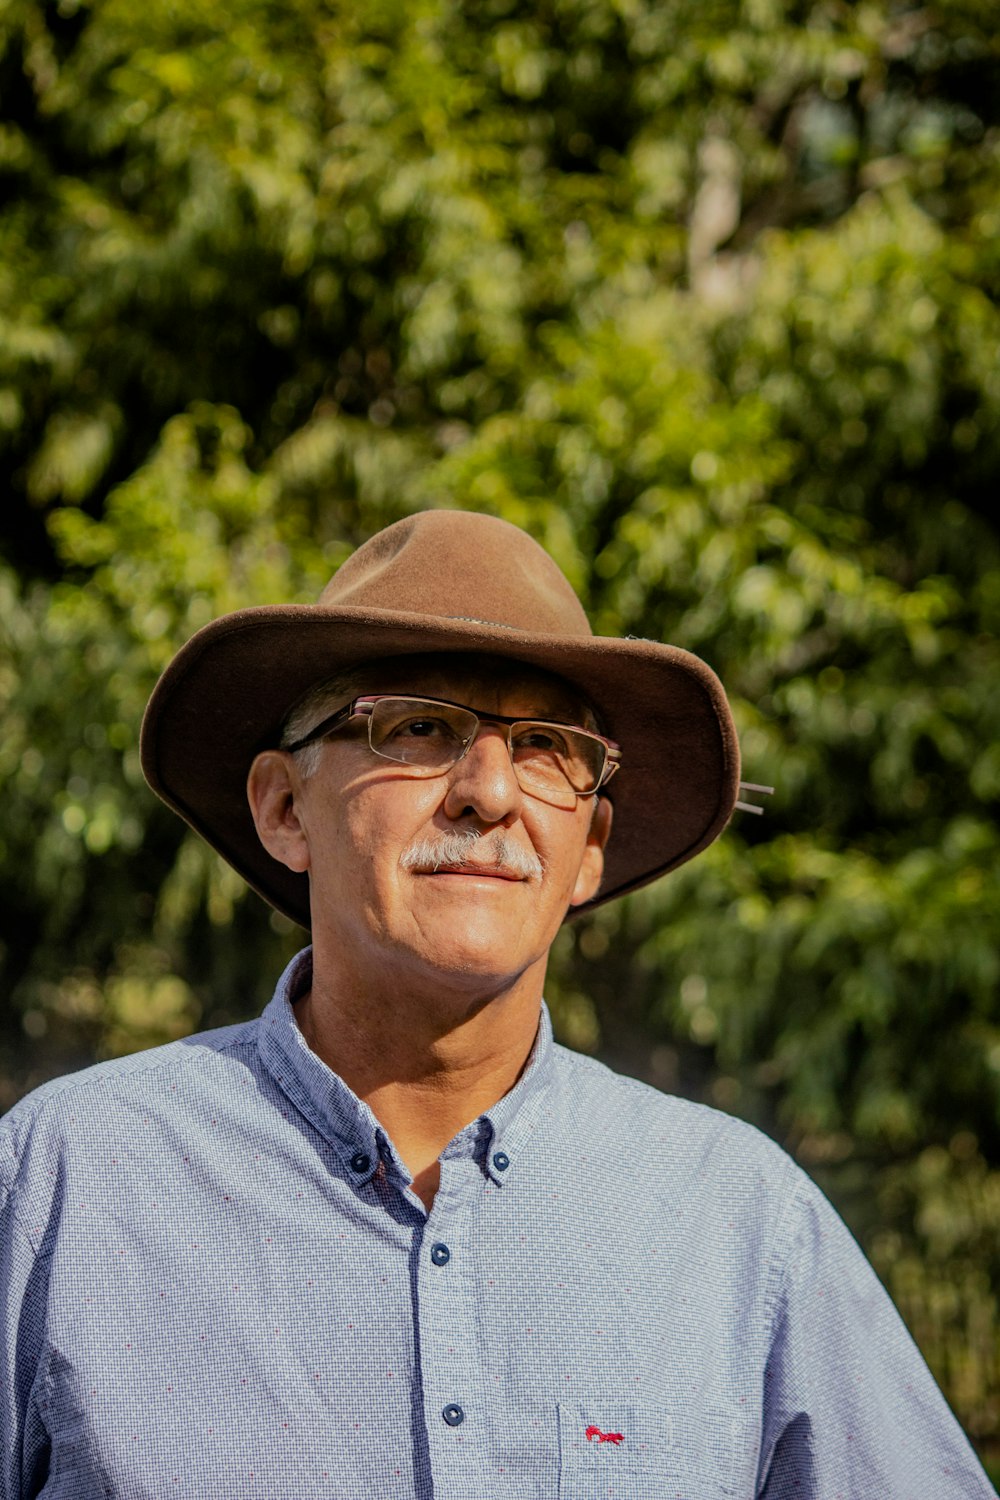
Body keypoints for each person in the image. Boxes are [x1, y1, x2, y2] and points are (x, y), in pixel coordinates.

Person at [0, 510, 994, 1500]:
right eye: (418, 726)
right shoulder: (63, 1188)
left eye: (546, 747)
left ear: (589, 848)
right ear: (283, 809)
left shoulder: (738, 1222)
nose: (489, 792)